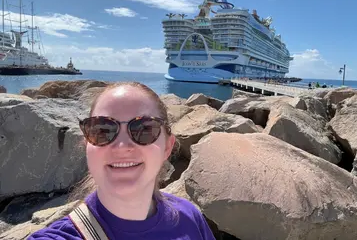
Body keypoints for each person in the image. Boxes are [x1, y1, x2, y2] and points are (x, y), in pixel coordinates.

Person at [28, 82, 216, 240]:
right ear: (87, 145)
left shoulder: (190, 216)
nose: (122, 146)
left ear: (167, 147)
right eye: (102, 130)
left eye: (144, 129)